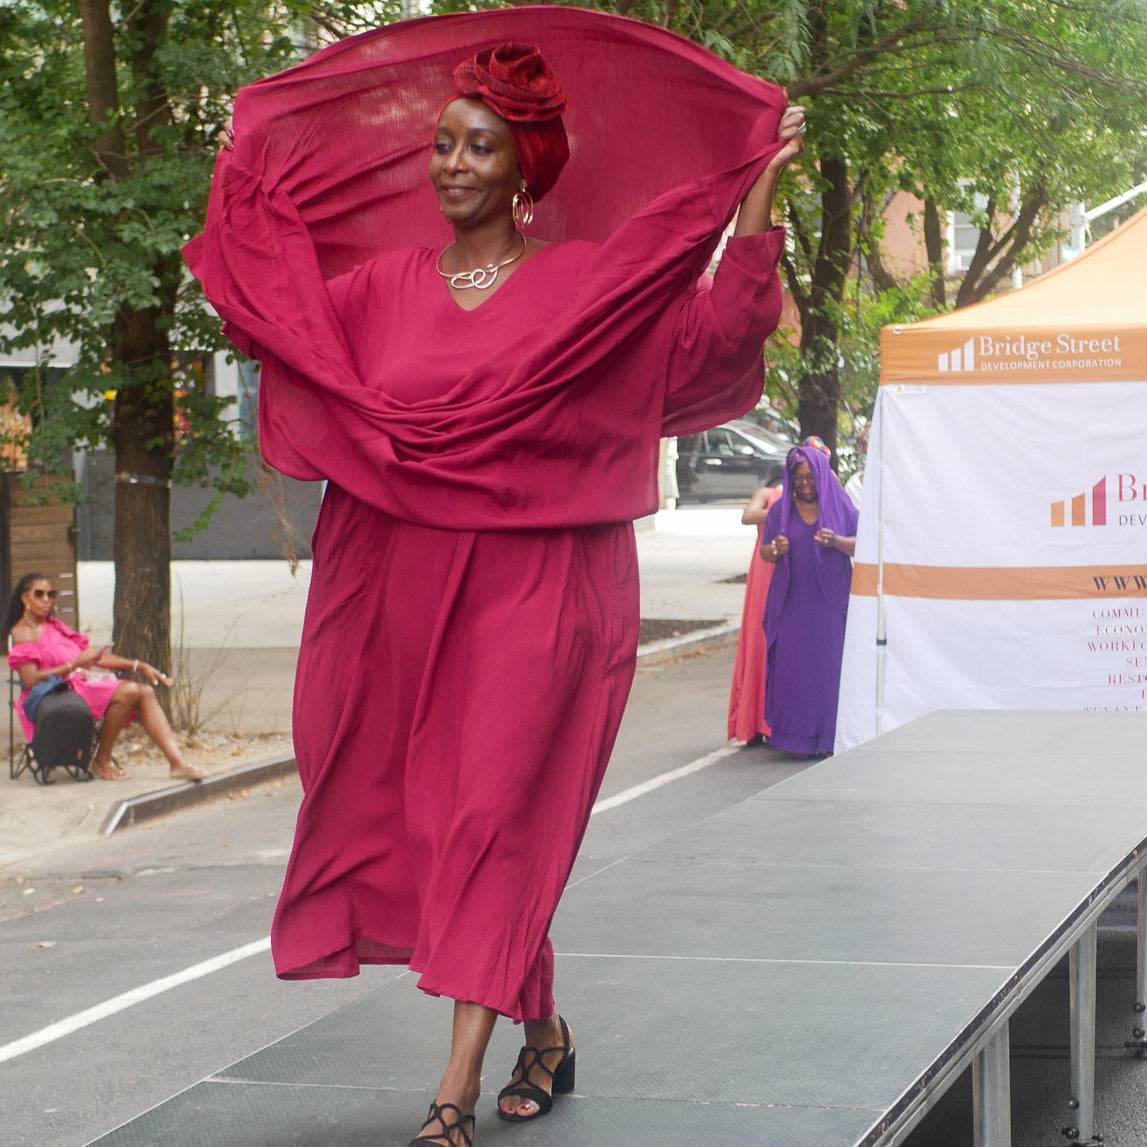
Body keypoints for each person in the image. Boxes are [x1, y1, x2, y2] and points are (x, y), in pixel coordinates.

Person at [186, 12, 803, 1146]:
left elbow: (707, 341)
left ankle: (450, 1095)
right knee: (445, 818)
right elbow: (286, 327)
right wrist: (242, 183)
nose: (451, 164)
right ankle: (547, 1029)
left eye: (477, 146)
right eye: (441, 144)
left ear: (526, 167)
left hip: (542, 586)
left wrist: (753, 189)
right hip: (405, 585)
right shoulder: (376, 290)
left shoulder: (581, 288)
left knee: (496, 809)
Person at [5, 573, 206, 782]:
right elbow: (30, 680)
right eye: (39, 594)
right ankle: (102, 760)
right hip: (54, 693)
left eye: (51, 594)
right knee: (131, 692)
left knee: (144, 691)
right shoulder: (22, 632)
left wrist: (139, 665)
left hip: (81, 684)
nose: (47, 599)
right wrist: (73, 665)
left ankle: (177, 764)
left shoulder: (55, 626)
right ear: (24, 597)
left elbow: (95, 658)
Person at [760, 443, 858, 757]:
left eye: (810, 477)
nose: (804, 484)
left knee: (829, 671)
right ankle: (795, 740)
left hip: (830, 601)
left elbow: (861, 544)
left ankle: (830, 737)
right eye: (798, 478)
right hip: (792, 602)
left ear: (821, 475)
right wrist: (776, 549)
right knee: (794, 671)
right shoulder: (780, 510)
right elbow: (766, 551)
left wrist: (837, 541)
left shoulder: (839, 502)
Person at [727, 479, 783, 743]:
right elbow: (748, 516)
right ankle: (753, 720)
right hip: (764, 570)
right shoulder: (768, 494)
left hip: (789, 569)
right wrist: (786, 506)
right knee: (759, 639)